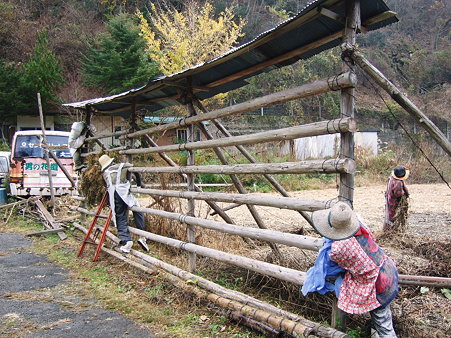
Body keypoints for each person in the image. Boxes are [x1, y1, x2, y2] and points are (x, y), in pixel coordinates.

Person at [302, 202, 399, 337]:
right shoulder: (359, 221)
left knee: (384, 325)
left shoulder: (338, 249)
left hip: (376, 286)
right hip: (387, 269)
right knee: (381, 318)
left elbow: (334, 267)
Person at [99, 154, 149, 254]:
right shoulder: (123, 166)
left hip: (115, 195)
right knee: (137, 209)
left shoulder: (105, 173)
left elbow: (106, 186)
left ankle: (127, 241)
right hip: (124, 192)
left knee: (120, 217)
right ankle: (142, 236)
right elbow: (136, 172)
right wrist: (139, 184)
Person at [384, 166, 410, 232]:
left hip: (389, 199)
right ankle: (391, 231)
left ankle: (389, 230)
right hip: (394, 202)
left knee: (389, 215)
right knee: (393, 216)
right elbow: (398, 194)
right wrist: (404, 194)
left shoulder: (392, 178)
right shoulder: (397, 182)